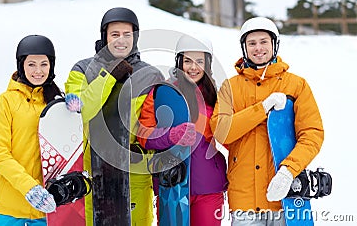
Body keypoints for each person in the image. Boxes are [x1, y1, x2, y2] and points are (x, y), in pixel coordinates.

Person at [210, 17, 324, 225]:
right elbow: (221, 131)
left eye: (264, 41)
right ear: (244, 48)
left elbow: (312, 134)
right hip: (244, 201)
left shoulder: (296, 85)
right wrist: (261, 108)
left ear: (274, 44)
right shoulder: (230, 88)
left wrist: (288, 171)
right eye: (251, 43)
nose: (258, 48)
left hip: (286, 196)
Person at [65, 7, 164, 225]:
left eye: (127, 34)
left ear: (135, 37)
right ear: (105, 37)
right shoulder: (82, 69)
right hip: (94, 177)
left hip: (134, 177)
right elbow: (83, 113)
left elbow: (155, 128)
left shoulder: (151, 75)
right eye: (114, 34)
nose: (121, 40)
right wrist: (108, 76)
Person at [0, 35, 80, 225]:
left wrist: (76, 115)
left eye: (44, 64)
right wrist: (30, 188)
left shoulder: (56, 104)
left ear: (51, 66)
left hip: (45, 210)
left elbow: (72, 150)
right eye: (31, 64)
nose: (38, 71)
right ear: (21, 65)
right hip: (7, 210)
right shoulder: (6, 102)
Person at [137, 34, 228, 226]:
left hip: (209, 188)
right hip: (172, 186)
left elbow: (229, 136)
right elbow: (143, 136)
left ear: (208, 64)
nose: (193, 67)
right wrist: (171, 136)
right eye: (188, 61)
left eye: (199, 61)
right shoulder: (163, 92)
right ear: (179, 62)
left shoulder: (217, 96)